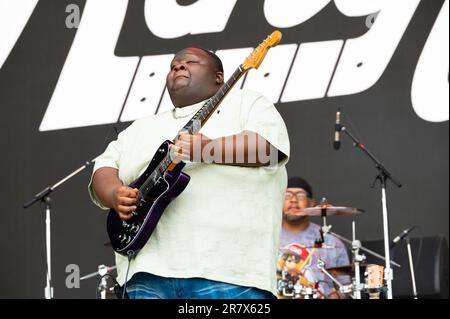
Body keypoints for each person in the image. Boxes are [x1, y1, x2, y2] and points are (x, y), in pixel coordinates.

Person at [88, 47, 290, 299]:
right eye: (173, 66)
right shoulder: (139, 127)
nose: (178, 67)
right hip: (146, 273)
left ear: (219, 77)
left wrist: (209, 149)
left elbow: (271, 150)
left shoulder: (247, 103)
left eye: (190, 62)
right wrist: (114, 193)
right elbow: (104, 167)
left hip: (230, 272)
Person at [277, 176, 351, 299]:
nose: (294, 200)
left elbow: (346, 286)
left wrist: (338, 296)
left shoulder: (331, 241)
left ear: (312, 203)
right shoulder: (267, 238)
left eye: (300, 195)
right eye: (287, 195)